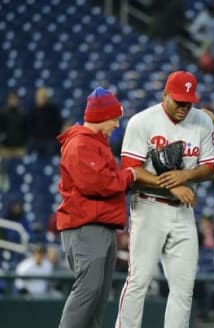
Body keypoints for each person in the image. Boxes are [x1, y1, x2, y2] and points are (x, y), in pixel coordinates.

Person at [115, 70, 214, 328]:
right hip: (148, 205)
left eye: (188, 101)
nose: (184, 106)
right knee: (139, 280)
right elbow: (131, 169)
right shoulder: (143, 121)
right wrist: (172, 185)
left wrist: (185, 175)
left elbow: (210, 167)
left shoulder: (202, 122)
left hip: (183, 210)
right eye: (178, 100)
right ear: (165, 95)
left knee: (184, 287)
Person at [56, 87, 159, 328]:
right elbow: (97, 183)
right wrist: (131, 175)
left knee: (98, 298)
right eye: (114, 119)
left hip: (100, 226)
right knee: (88, 291)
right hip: (86, 226)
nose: (116, 125)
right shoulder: (81, 143)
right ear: (101, 117)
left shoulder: (95, 143)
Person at [28, 86, 63, 156]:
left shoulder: (53, 109)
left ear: (46, 97)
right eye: (38, 96)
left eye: (42, 96)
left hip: (51, 141)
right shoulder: (32, 110)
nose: (40, 99)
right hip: (37, 141)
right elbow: (29, 126)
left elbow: (58, 124)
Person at [0, 91, 28, 159]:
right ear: (7, 100)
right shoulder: (2, 114)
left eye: (14, 98)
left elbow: (27, 130)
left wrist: (24, 142)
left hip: (20, 148)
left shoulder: (23, 114)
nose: (12, 100)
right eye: (10, 98)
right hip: (6, 148)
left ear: (18, 100)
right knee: (6, 168)